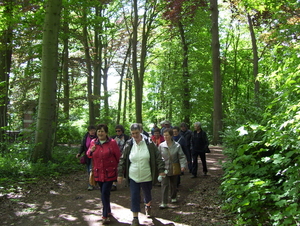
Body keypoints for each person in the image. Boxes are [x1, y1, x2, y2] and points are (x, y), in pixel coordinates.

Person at [117, 123, 165, 226]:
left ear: (141, 131)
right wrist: (120, 173)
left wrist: (161, 170)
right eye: (132, 133)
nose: (134, 135)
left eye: (136, 133)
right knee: (134, 196)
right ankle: (135, 218)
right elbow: (122, 159)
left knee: (147, 194)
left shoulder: (149, 143)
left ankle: (148, 206)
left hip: (147, 175)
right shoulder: (129, 144)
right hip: (133, 175)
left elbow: (158, 156)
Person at [86, 124, 121, 224]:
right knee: (104, 193)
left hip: (110, 173)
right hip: (98, 172)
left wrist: (121, 172)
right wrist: (90, 151)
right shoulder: (94, 142)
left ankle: (105, 215)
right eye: (99, 131)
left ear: (106, 133)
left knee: (105, 193)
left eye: (102, 131)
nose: (100, 133)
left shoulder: (112, 143)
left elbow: (118, 157)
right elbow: (88, 154)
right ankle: (109, 210)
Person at [158, 128, 186, 209]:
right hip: (164, 168)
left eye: (167, 135)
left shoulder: (177, 146)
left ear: (171, 136)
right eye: (164, 135)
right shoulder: (161, 146)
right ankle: (164, 202)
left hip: (174, 168)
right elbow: (158, 157)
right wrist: (159, 168)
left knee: (173, 184)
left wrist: (183, 165)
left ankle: (173, 197)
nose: (165, 137)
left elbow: (181, 156)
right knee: (164, 185)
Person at [76, 125, 97, 191]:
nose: (92, 131)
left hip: (95, 156)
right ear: (88, 131)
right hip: (87, 156)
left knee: (91, 170)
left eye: (94, 130)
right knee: (88, 170)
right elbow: (83, 146)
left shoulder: (98, 137)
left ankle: (90, 185)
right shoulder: (86, 137)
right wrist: (79, 153)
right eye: (91, 130)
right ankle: (92, 182)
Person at [110, 124, 130, 191]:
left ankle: (128, 181)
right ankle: (114, 184)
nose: (118, 132)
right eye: (116, 131)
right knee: (115, 169)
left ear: (122, 131)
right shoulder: (113, 138)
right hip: (115, 156)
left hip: (125, 155)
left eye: (119, 131)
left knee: (126, 168)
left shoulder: (127, 138)